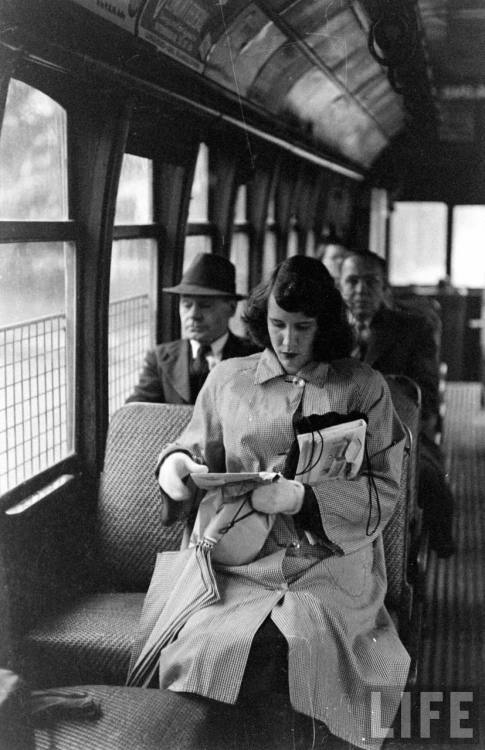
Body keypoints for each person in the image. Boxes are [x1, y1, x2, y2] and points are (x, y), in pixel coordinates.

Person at [145, 257, 409, 749]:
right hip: (237, 561)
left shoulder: (362, 387)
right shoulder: (228, 378)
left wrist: (302, 498)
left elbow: (384, 489)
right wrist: (176, 465)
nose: (287, 343)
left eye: (302, 329)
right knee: (213, 645)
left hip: (329, 561)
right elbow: (195, 442)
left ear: (324, 326)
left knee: (292, 645)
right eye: (277, 326)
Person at [339, 249, 455, 557]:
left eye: (370, 282)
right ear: (340, 287)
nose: (361, 291)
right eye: (352, 282)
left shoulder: (411, 329)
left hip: (398, 430)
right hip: (338, 435)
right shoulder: (326, 332)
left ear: (384, 289)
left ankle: (435, 543)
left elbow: (426, 392)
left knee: (430, 481)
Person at [126, 253, 258, 404]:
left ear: (231, 308)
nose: (194, 315)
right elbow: (135, 413)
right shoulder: (160, 359)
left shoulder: (254, 357)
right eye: (187, 305)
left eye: (205, 305)